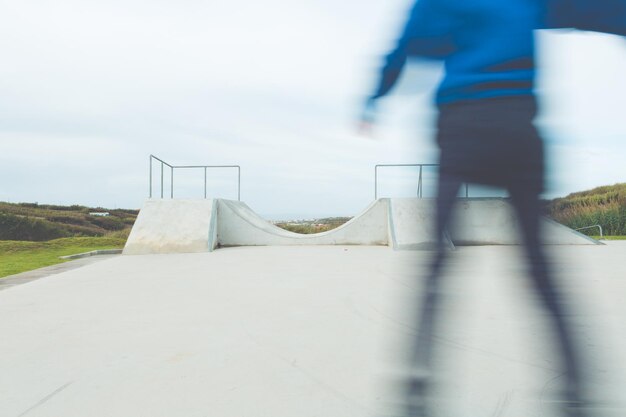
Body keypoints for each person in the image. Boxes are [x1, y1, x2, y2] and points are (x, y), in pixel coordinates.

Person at [361, 1, 625, 416]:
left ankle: (416, 393)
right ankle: (576, 393)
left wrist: (376, 95)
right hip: (517, 126)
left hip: (461, 124)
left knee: (435, 265)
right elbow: (591, 11)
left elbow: (412, 45)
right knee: (540, 267)